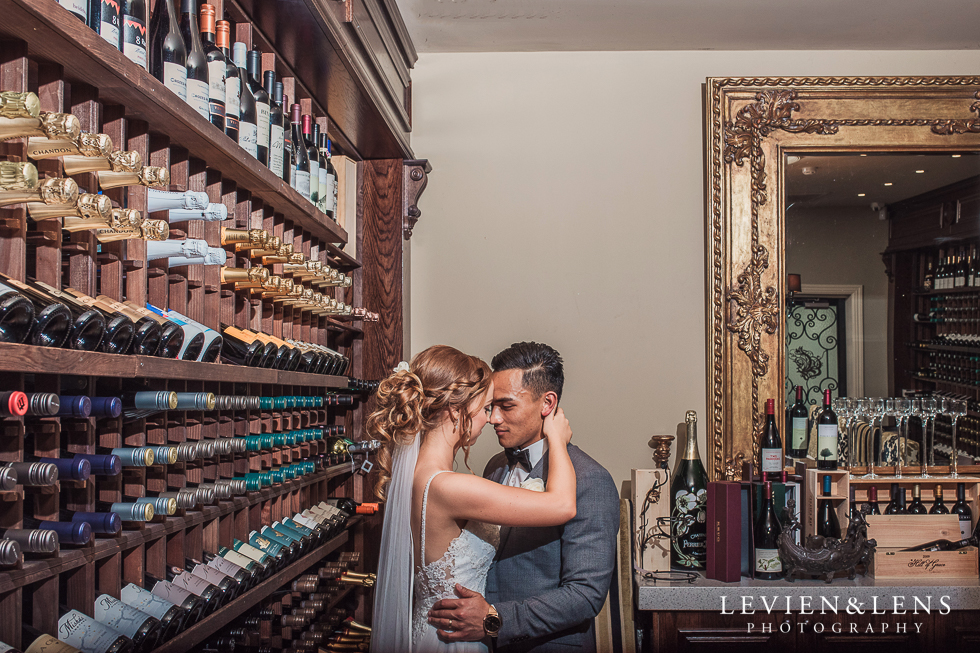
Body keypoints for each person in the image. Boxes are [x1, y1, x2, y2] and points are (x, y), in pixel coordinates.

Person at [369, 344, 577, 653]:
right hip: (453, 642)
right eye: (485, 408)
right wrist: (557, 439)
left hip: (429, 632)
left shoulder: (418, 477)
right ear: (456, 409)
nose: (490, 419)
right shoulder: (448, 487)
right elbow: (562, 505)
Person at [428, 342, 620, 652]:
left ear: (547, 403)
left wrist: (494, 619)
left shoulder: (590, 480)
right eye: (491, 406)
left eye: (507, 406)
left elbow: (585, 596)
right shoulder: (495, 465)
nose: (493, 419)